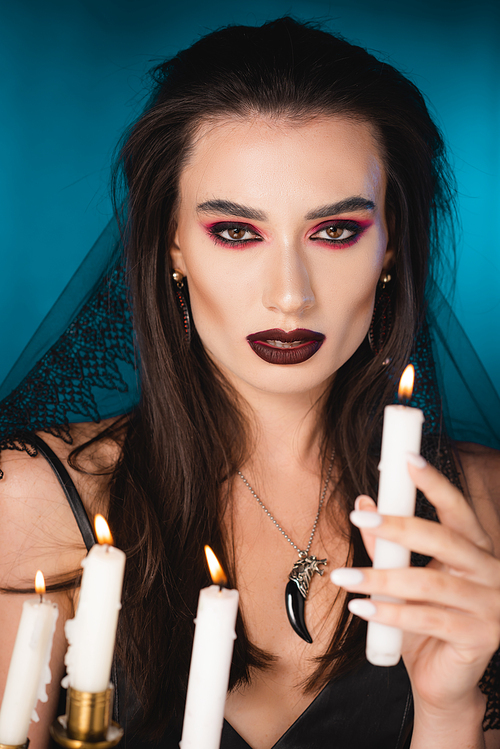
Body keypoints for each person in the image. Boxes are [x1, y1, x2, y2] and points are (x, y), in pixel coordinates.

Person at [1, 16, 500, 749]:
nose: (290, 294)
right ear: (172, 242)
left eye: (336, 231)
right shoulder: (30, 508)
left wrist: (451, 712)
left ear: (391, 244)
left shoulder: (483, 516)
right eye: (236, 231)